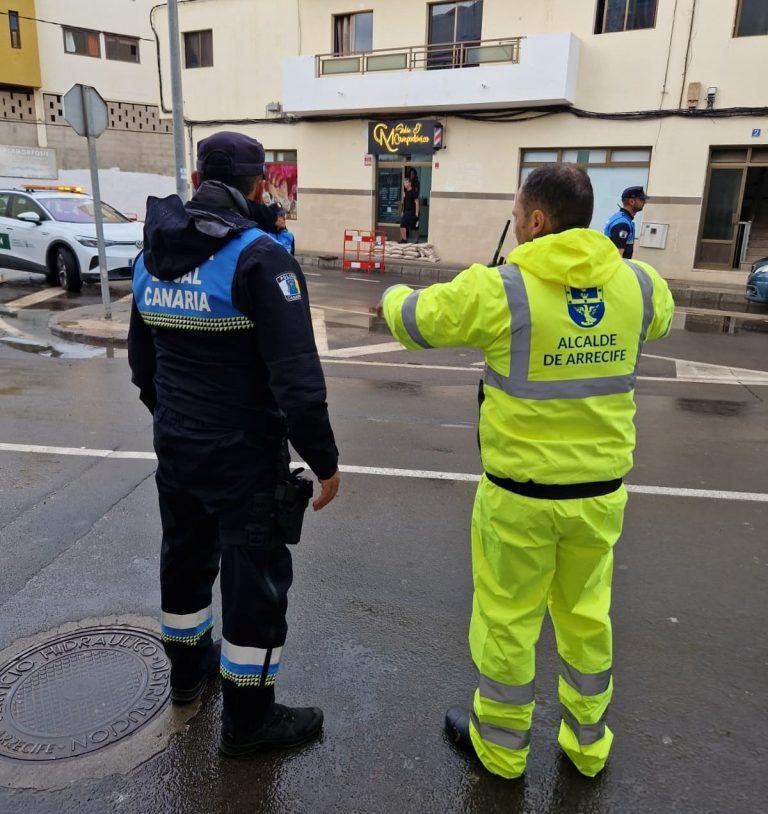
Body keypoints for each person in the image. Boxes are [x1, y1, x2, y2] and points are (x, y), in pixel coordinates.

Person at [379, 164, 674, 780]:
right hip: (599, 498)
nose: (513, 224)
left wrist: (392, 292)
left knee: (508, 622)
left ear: (537, 220)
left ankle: (501, 750)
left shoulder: (501, 290)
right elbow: (661, 317)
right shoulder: (640, 284)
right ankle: (587, 747)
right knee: (587, 618)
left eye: (516, 214)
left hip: (519, 500)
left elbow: (412, 321)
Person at [128, 131, 340, 758]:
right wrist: (324, 461)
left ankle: (188, 674)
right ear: (258, 186)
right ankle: (249, 721)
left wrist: (174, 420)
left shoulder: (153, 253)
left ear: (197, 180)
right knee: (255, 582)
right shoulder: (260, 259)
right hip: (244, 457)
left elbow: (143, 365)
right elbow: (297, 379)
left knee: (185, 558)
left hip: (177, 447)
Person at [604, 186, 647, 259]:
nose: (644, 202)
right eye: (642, 199)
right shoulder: (622, 224)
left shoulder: (621, 218)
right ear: (632, 202)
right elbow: (617, 257)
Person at [399, 176, 420, 243]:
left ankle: (416, 240)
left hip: (413, 212)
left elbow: (417, 203)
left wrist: (416, 213)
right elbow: (405, 203)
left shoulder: (414, 192)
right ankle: (404, 239)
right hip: (406, 212)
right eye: (404, 183)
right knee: (402, 225)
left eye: (406, 183)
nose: (405, 184)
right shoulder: (405, 193)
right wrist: (403, 211)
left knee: (414, 228)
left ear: (410, 183)